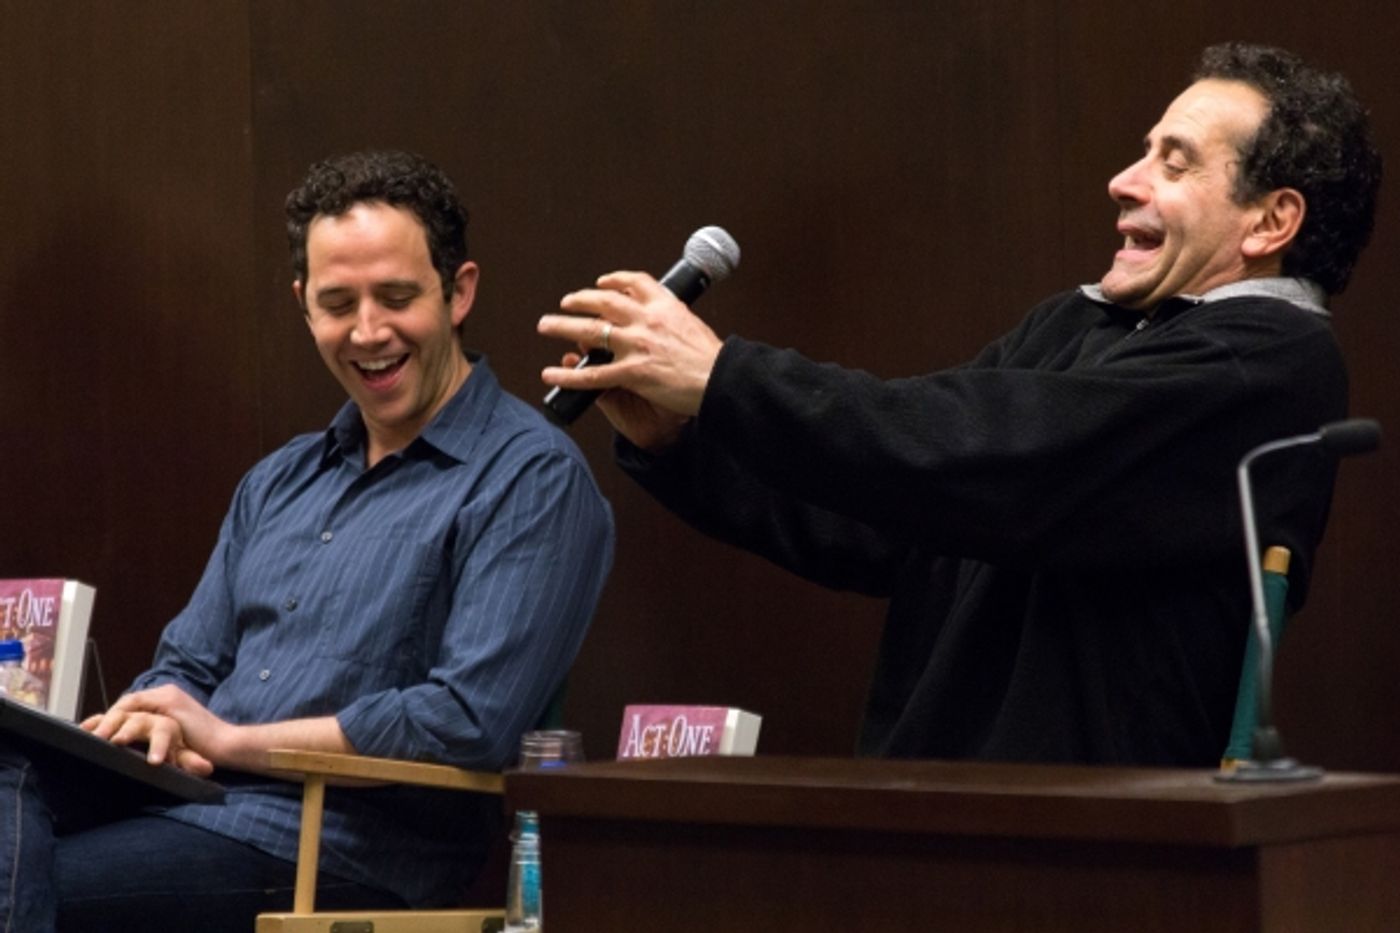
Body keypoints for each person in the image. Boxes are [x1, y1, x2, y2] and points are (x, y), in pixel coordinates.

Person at [538, 43, 1380, 767]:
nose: (1124, 181)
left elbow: (988, 453)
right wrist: (688, 437)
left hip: (1099, 855)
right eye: (1144, 151)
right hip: (939, 818)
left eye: (1176, 161)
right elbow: (887, 511)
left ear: (1271, 221)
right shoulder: (1079, 322)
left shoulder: (1272, 361)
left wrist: (725, 376)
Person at [1, 150, 613, 931]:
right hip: (186, 806)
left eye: (396, 297)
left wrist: (229, 737)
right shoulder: (280, 479)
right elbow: (187, 665)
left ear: (459, 292)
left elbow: (465, 720)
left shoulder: (530, 476)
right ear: (303, 305)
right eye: (336, 303)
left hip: (340, 855)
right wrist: (158, 717)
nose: (367, 331)